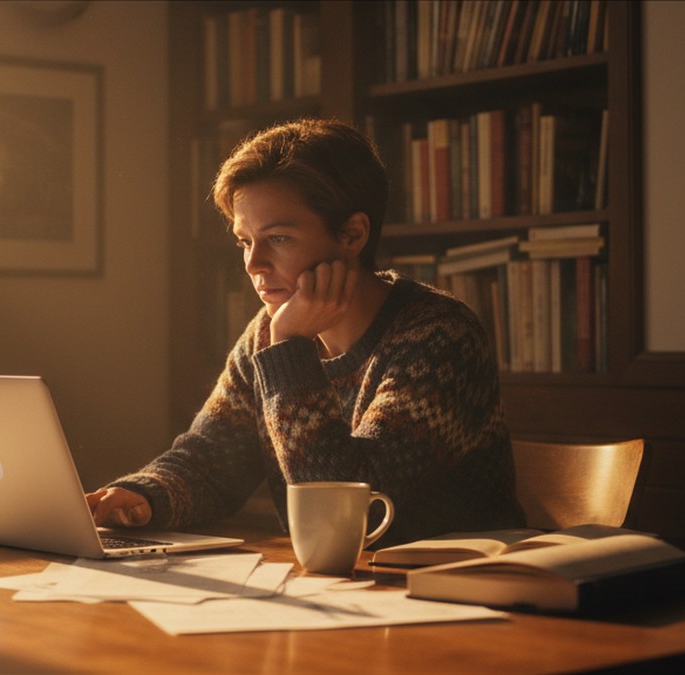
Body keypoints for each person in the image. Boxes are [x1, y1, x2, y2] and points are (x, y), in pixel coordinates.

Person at [87, 118, 525, 547]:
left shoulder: (439, 336)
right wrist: (141, 496)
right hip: (344, 593)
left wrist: (290, 352)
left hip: (460, 594)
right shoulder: (270, 334)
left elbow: (351, 512)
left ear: (353, 234)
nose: (254, 264)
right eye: (245, 241)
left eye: (277, 238)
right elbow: (209, 463)